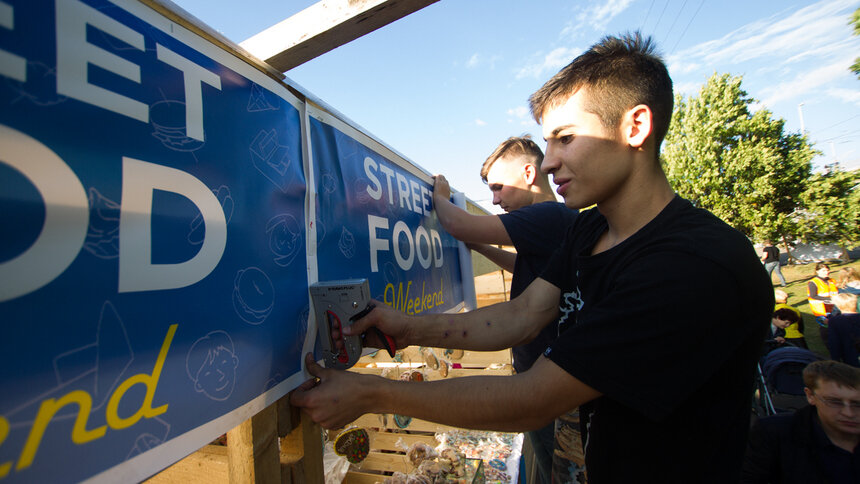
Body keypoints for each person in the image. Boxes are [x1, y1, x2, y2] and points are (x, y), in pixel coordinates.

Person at [291, 32, 773, 483]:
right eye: (546, 144)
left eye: (565, 138)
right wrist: (409, 326)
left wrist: (372, 392)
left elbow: (532, 400)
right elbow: (522, 315)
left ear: (635, 127)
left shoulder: (691, 266)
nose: (547, 163)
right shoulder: (590, 227)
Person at [432, 135, 579, 483]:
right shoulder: (557, 223)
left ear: (529, 173)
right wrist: (483, 249)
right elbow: (528, 268)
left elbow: (458, 223)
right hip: (547, 380)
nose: (495, 200)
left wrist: (439, 196)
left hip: (544, 387)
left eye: (499, 187)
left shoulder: (547, 214)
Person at [741, 360, 860, 483]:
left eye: (857, 404)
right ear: (810, 396)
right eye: (834, 402)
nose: (848, 413)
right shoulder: (775, 433)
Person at [808, 262, 839, 343]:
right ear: (817, 271)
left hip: (833, 307)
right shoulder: (813, 282)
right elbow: (813, 296)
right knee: (825, 327)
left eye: (827, 270)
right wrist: (830, 299)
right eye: (823, 271)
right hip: (821, 309)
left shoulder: (832, 281)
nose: (826, 272)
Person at [828, 293, 860, 368]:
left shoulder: (835, 321)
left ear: (838, 306)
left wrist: (835, 360)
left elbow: (834, 342)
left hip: (850, 354)